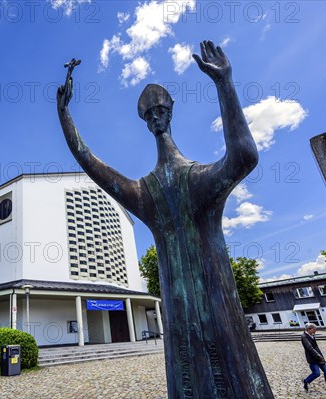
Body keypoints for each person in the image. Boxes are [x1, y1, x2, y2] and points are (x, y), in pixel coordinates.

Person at [57, 40, 273, 398]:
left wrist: (225, 84)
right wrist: (66, 119)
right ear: (146, 122)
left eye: (160, 111)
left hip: (216, 299)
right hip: (178, 308)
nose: (156, 117)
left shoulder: (198, 179)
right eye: (149, 114)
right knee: (186, 374)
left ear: (170, 115)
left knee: (232, 372)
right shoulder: (146, 192)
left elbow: (244, 156)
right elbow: (93, 165)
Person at [301, 322, 326, 394]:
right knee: (316, 373)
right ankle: (306, 381)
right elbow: (310, 348)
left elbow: (316, 347)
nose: (315, 330)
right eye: (314, 329)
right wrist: (318, 356)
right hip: (312, 358)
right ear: (309, 329)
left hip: (319, 357)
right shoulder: (304, 336)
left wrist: (320, 356)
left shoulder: (312, 335)